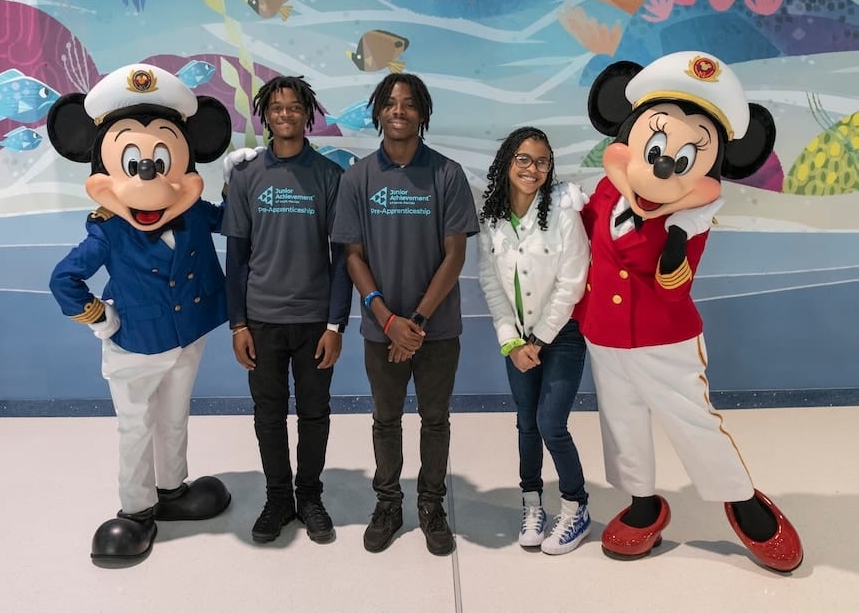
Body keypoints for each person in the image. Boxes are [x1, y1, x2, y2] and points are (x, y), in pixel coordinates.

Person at [581, 51, 802, 572]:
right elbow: (583, 240)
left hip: (662, 338)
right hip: (604, 332)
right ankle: (642, 504)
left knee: (692, 421)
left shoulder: (689, 220)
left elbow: (672, 289)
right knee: (620, 421)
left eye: (683, 159)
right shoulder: (606, 190)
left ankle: (742, 501)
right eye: (655, 147)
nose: (662, 165)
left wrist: (677, 243)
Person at [47, 63, 233, 565]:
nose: (148, 172)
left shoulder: (192, 210)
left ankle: (171, 490)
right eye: (133, 160)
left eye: (160, 158)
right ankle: (136, 508)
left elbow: (231, 221)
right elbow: (64, 280)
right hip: (135, 343)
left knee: (174, 417)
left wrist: (239, 181)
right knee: (135, 427)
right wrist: (99, 318)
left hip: (188, 334)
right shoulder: (109, 227)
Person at [331, 73, 479, 556]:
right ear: (378, 112)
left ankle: (431, 505)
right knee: (386, 419)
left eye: (410, 103)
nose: (399, 110)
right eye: (391, 103)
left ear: (423, 114)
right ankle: (388, 504)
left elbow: (454, 255)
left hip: (437, 329)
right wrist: (387, 318)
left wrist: (415, 321)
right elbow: (353, 255)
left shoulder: (447, 174)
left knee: (435, 420)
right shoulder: (356, 178)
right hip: (382, 328)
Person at [222, 75, 351, 545]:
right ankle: (278, 498)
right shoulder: (246, 176)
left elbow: (342, 259)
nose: (285, 114)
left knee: (315, 413)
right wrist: (237, 323)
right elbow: (236, 257)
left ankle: (310, 497)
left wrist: (336, 324)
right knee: (268, 415)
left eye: (294, 107)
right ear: (266, 115)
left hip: (314, 320)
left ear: (307, 114)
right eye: (276, 107)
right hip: (261, 320)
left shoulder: (330, 176)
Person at [477, 127, 592, 555]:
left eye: (542, 161)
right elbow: (491, 284)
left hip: (561, 336)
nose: (533, 169)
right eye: (524, 159)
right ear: (508, 161)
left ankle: (576, 506)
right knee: (526, 422)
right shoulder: (491, 218)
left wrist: (539, 340)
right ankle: (532, 504)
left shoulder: (563, 208)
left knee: (550, 424)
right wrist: (511, 341)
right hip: (518, 341)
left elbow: (572, 282)